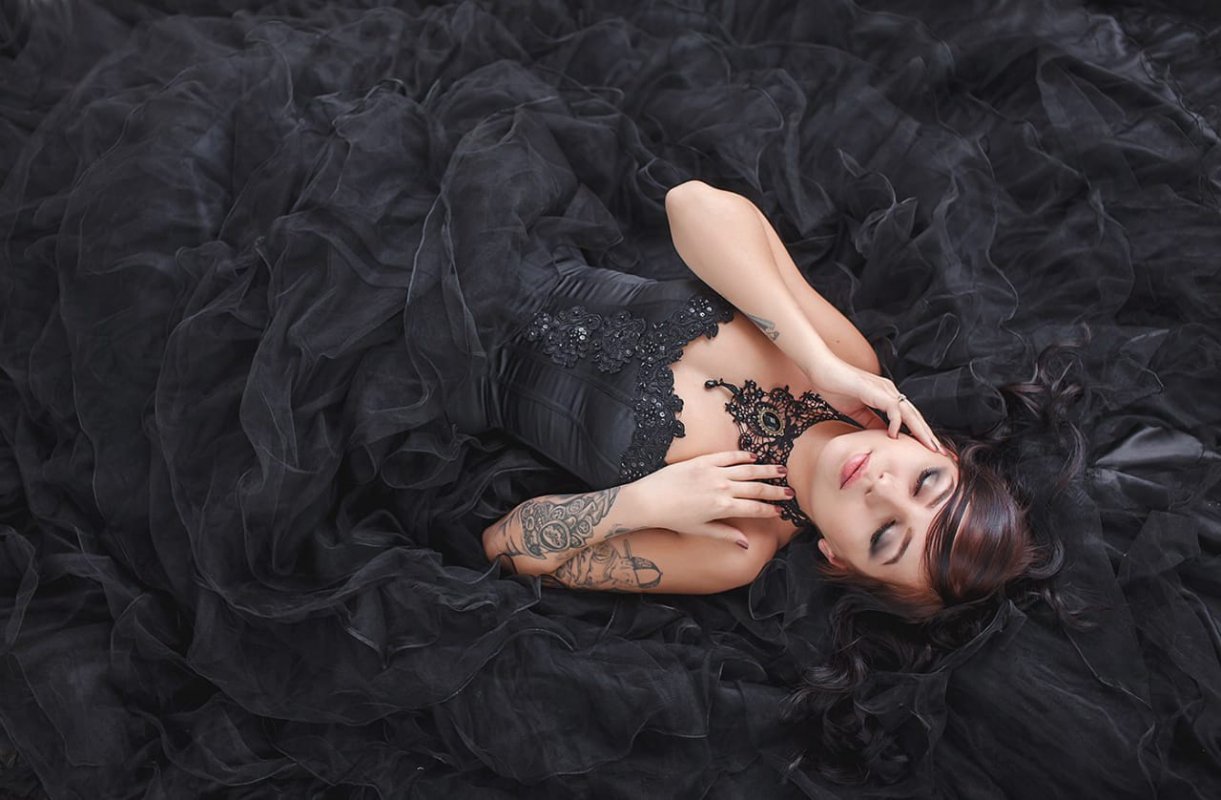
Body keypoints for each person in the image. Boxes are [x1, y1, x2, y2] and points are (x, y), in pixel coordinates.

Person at [480, 179, 1040, 616]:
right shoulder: (849, 364)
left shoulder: (735, 549)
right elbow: (690, 203)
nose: (882, 489)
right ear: (937, 448)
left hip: (458, 373)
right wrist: (818, 361)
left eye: (886, 535)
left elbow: (504, 547)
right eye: (925, 482)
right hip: (511, 232)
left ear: (839, 558)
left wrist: (642, 505)